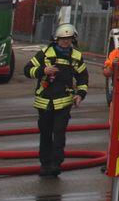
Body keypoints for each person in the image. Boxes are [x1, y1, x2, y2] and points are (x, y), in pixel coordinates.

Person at [22, 21, 89, 177]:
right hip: (44, 102)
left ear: (73, 39)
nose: (65, 42)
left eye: (69, 39)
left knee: (59, 134)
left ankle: (56, 165)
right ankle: (45, 164)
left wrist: (80, 94)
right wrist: (43, 70)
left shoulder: (76, 56)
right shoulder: (45, 53)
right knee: (45, 134)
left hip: (64, 102)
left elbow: (83, 78)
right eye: (63, 39)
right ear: (56, 39)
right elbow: (27, 70)